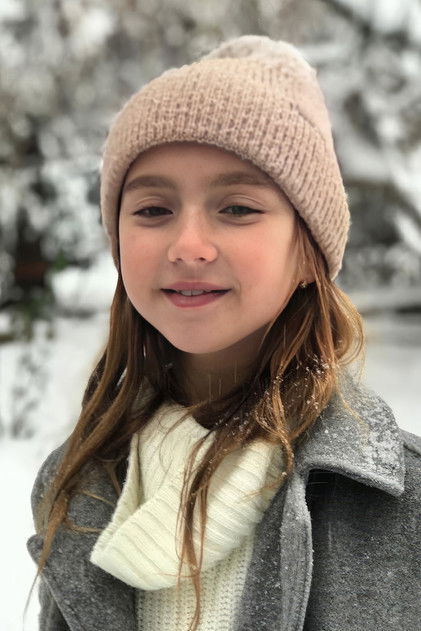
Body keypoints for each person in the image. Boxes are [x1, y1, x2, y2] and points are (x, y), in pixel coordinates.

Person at [27, 35, 420, 631]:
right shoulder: (76, 486)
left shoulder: (399, 503)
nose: (188, 246)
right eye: (153, 210)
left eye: (237, 208)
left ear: (308, 249)